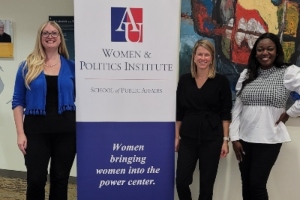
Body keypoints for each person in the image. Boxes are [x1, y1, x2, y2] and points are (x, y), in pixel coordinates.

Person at [229, 32, 300, 200]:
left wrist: (290, 113)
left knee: (257, 184)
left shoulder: (288, 72)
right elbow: (237, 109)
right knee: (246, 183)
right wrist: (234, 138)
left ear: (277, 51)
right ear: (255, 53)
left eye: (270, 49)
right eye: (260, 49)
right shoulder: (247, 74)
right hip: (245, 139)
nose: (265, 53)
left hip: (269, 139)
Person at [12, 21, 76, 200]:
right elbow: (18, 101)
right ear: (40, 38)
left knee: (60, 180)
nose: (50, 36)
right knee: (35, 180)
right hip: (36, 132)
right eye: (45, 33)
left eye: (54, 33)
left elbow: (83, 99)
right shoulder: (27, 66)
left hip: (66, 132)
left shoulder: (72, 67)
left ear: (60, 38)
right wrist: (20, 133)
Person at [175, 39, 232, 200]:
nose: (203, 58)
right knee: (181, 181)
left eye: (207, 55)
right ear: (194, 57)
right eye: (200, 54)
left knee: (206, 186)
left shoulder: (221, 82)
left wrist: (225, 140)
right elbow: (179, 112)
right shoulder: (185, 80)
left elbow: (225, 114)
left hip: (212, 139)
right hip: (188, 138)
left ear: (212, 58)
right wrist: (176, 137)